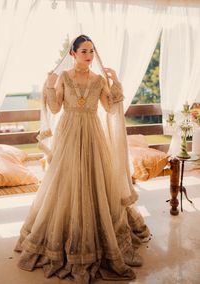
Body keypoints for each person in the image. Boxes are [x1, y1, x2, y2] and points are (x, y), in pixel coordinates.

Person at [15, 35, 150, 283]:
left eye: (91, 51)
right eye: (84, 51)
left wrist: (116, 83)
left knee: (93, 181)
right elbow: (55, 109)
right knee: (66, 183)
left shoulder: (99, 81)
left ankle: (98, 239)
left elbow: (110, 108)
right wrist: (49, 85)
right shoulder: (64, 78)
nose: (89, 55)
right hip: (68, 136)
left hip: (92, 134)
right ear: (73, 54)